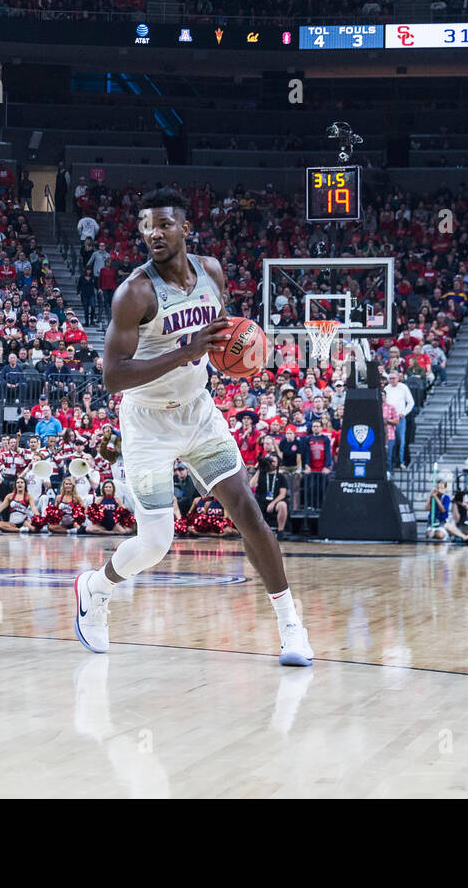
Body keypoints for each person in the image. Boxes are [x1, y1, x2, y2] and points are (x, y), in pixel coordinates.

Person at [75, 188, 314, 666]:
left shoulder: (211, 271)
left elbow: (220, 335)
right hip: (146, 422)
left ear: (185, 228)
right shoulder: (134, 293)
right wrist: (185, 352)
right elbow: (111, 376)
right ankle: (95, 588)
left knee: (248, 511)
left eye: (163, 224)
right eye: (146, 226)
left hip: (198, 412)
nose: (153, 233)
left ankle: (291, 626)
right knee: (156, 542)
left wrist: (240, 354)